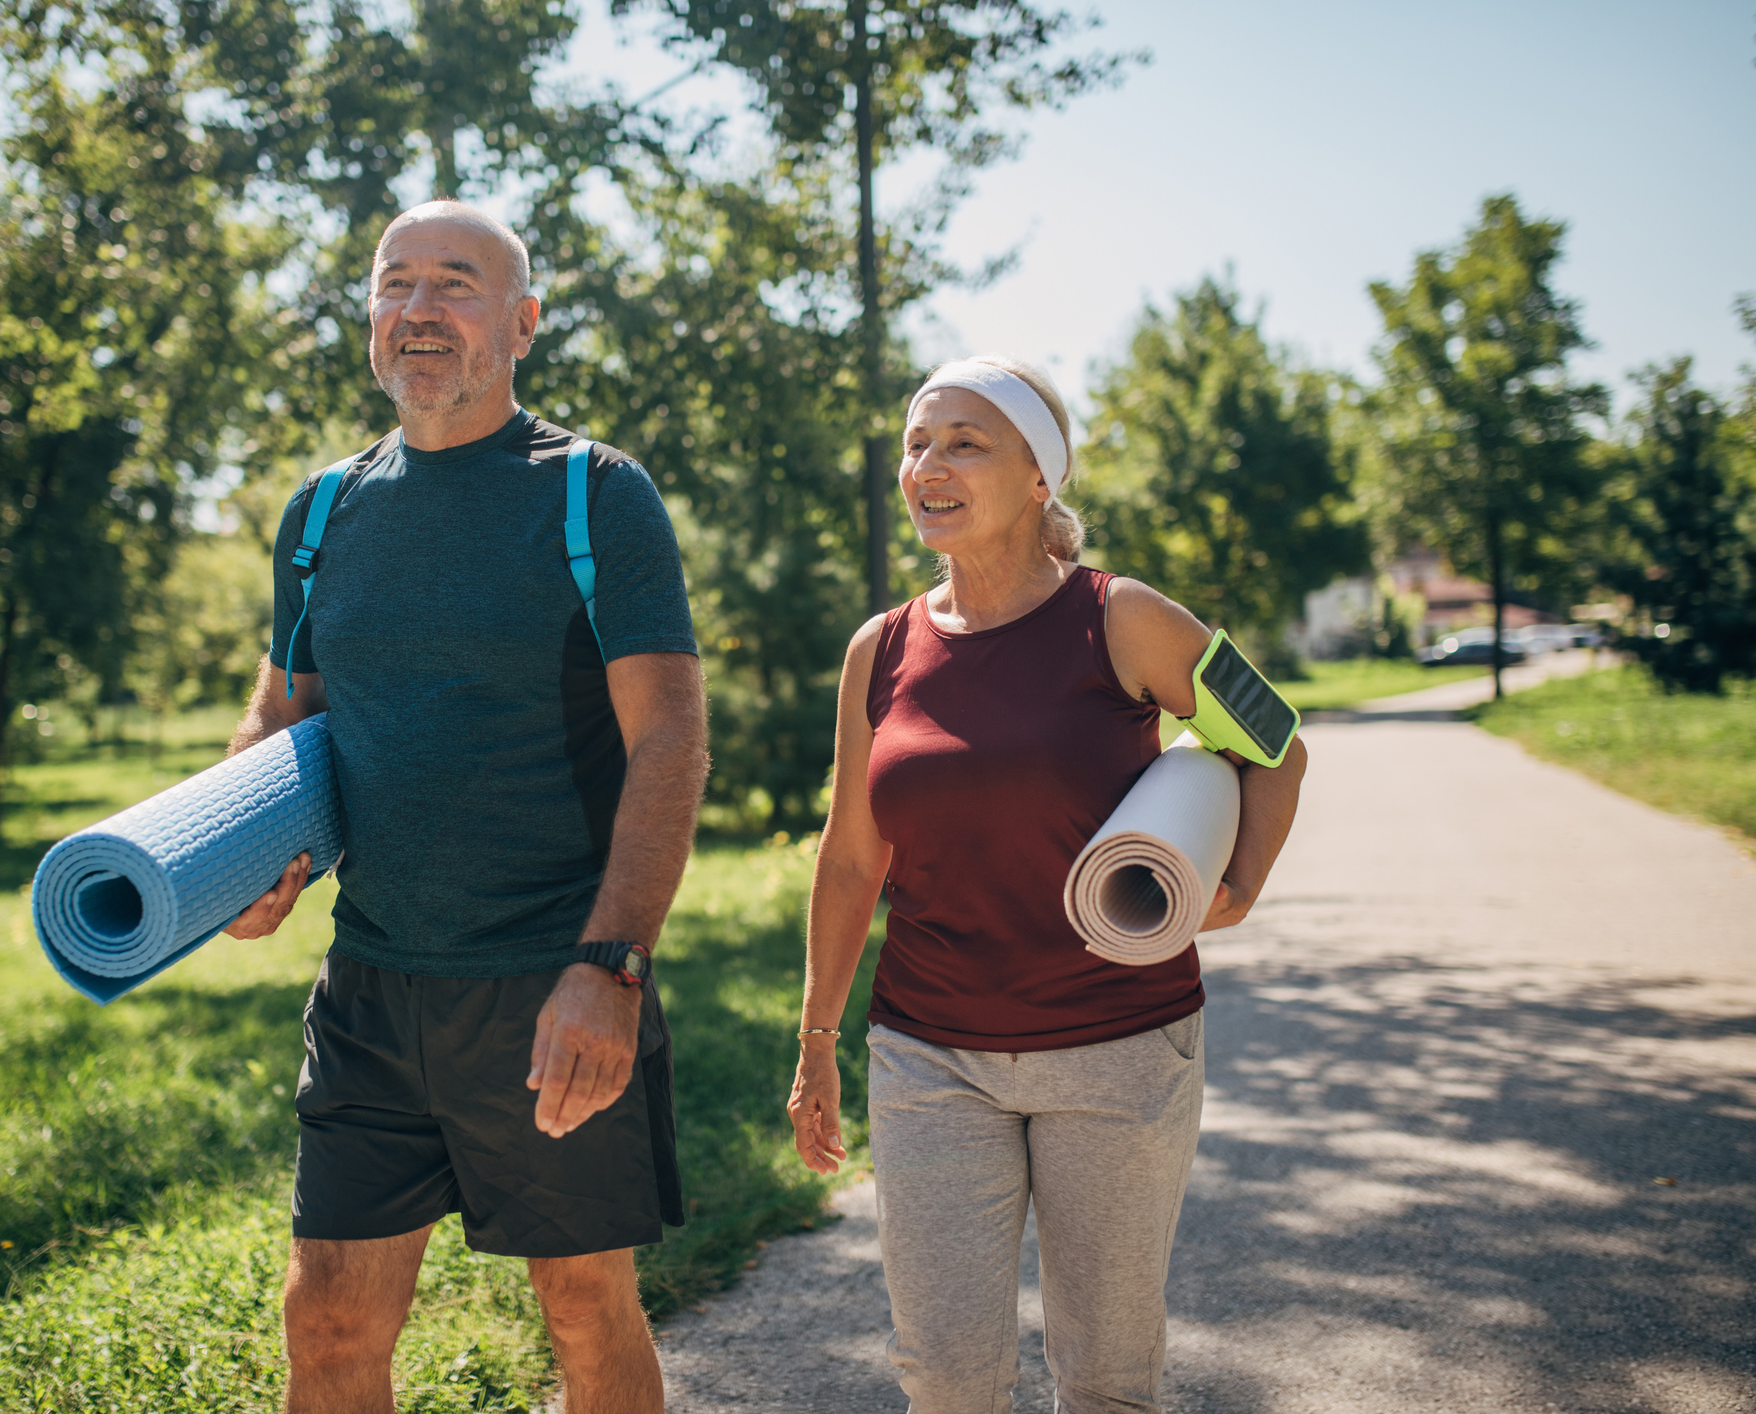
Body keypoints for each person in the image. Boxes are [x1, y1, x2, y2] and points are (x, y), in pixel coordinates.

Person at [221, 200, 708, 1414]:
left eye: (456, 283)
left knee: (584, 1310)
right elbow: (283, 711)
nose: (421, 309)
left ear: (523, 322)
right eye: (397, 284)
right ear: (371, 318)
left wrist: (611, 965)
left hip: (550, 980)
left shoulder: (595, 495)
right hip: (373, 989)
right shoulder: (323, 511)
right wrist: (239, 857)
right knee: (325, 1317)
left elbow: (670, 744)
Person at [787, 354, 1307, 1414]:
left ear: (1041, 478)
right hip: (931, 1053)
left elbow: (1277, 744)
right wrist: (816, 1041)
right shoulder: (878, 649)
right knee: (943, 1373)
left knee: (1108, 1378)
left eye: (965, 443)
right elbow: (849, 857)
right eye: (916, 444)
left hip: (1119, 1050)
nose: (929, 464)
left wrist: (1240, 883)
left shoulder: (1122, 619)